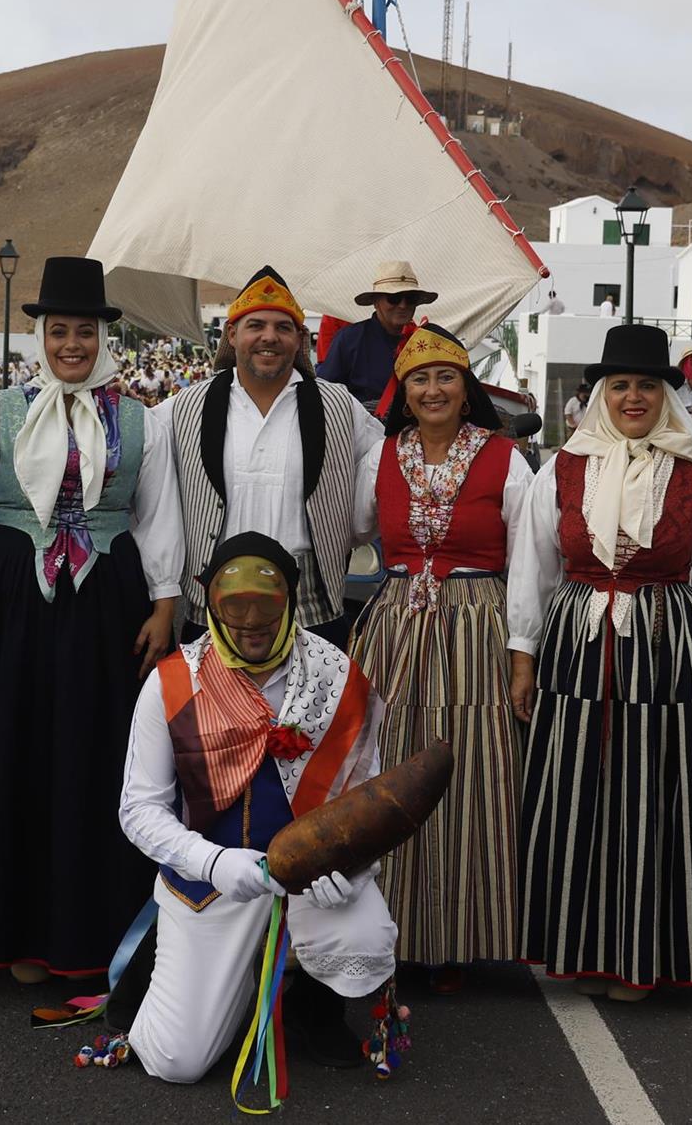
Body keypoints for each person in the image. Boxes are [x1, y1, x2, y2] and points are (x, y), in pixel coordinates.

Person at [0, 258, 181, 984]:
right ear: (41, 336)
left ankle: (91, 933)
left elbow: (158, 515)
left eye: (84, 332)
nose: (72, 344)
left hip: (107, 602)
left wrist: (165, 602)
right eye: (59, 331)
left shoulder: (143, 420)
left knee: (96, 754)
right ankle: (16, 933)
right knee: (14, 749)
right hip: (12, 598)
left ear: (103, 337)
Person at [507, 324, 692, 1001]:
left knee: (654, 797)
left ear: (665, 396)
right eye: (619, 385)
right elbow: (531, 569)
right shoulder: (562, 468)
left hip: (667, 648)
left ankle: (646, 957)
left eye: (646, 385)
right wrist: (523, 660)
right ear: (599, 394)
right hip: (577, 646)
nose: (632, 397)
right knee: (577, 794)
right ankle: (584, 950)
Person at [117, 533, 395, 1082]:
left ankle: (313, 1006)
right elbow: (139, 809)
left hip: (312, 872)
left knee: (361, 937)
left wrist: (353, 871)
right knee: (177, 1061)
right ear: (212, 606)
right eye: (234, 610)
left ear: (289, 603)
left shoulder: (335, 673)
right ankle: (224, 985)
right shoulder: (172, 681)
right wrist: (214, 862)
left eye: (265, 610)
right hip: (212, 883)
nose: (250, 625)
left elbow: (366, 797)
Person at [349, 325, 532, 992]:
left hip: (477, 622)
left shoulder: (506, 459)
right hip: (396, 623)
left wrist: (523, 656)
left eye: (445, 376)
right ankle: (387, 932)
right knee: (386, 767)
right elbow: (355, 528)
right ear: (403, 393)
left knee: (469, 771)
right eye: (419, 379)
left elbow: (531, 559)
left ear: (466, 387)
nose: (432, 390)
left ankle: (458, 939)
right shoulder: (379, 457)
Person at [155, 267, 382, 649]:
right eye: (256, 325)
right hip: (213, 605)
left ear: (300, 339)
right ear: (232, 335)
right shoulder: (183, 408)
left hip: (310, 605)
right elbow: (142, 477)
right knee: (212, 694)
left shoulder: (340, 406)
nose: (269, 337)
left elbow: (387, 468)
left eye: (283, 327)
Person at [316, 260, 436, 406]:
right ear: (376, 302)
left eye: (411, 299)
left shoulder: (426, 341)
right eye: (394, 298)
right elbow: (325, 394)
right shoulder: (349, 339)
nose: (403, 305)